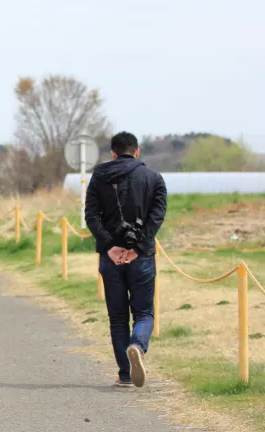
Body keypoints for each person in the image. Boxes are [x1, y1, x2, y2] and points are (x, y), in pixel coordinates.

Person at [84, 131, 167, 388]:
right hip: (141, 258)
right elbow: (156, 217)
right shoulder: (154, 178)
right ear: (137, 151)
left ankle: (125, 374)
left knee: (118, 318)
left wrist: (110, 247)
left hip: (110, 259)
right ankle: (137, 347)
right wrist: (138, 248)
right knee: (143, 313)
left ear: (113, 152)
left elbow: (91, 215)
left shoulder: (99, 177)